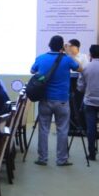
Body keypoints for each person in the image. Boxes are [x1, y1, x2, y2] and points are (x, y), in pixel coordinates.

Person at [30, 36, 80, 166]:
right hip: (62, 100)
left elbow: (32, 70)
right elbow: (79, 68)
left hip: (45, 99)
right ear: (62, 47)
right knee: (62, 130)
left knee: (43, 129)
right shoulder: (67, 59)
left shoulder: (41, 58)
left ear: (49, 45)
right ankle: (61, 159)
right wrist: (69, 53)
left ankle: (42, 158)